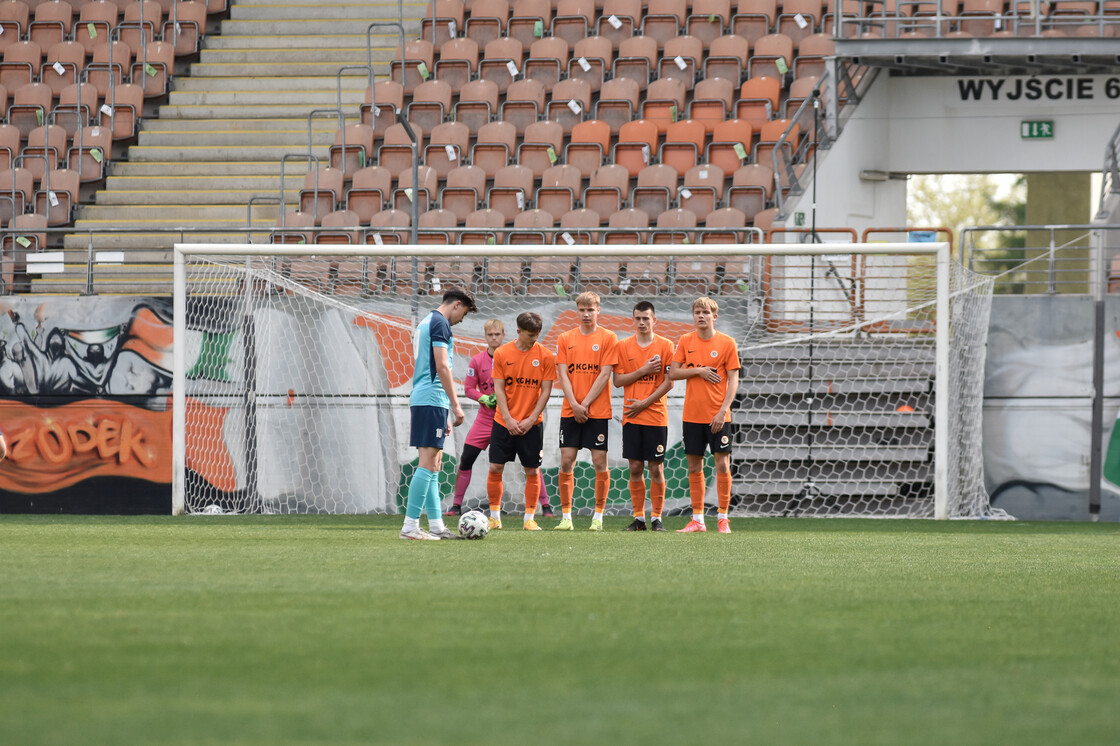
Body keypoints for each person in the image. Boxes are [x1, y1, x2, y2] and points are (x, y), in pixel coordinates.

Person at [445, 319, 554, 517]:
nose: (494, 338)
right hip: (488, 419)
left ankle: (545, 506)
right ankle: (456, 505)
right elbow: (469, 388)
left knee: (532, 465)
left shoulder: (519, 355)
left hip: (515, 418)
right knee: (468, 458)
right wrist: (483, 397)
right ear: (485, 337)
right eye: (490, 335)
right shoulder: (478, 361)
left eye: (497, 334)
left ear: (504, 335)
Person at [400, 287, 477, 540]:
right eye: (463, 314)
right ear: (456, 304)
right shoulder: (440, 323)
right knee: (427, 463)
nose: (461, 320)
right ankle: (410, 527)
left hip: (429, 399)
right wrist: (455, 405)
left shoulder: (426, 322)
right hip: (432, 398)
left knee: (434, 464)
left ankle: (436, 526)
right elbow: (442, 365)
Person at [669, 296, 741, 534]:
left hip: (718, 416)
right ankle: (698, 519)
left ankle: (723, 518)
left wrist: (723, 411)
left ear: (714, 316)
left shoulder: (727, 343)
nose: (701, 316)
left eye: (706, 312)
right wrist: (698, 370)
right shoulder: (685, 340)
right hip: (692, 416)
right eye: (697, 312)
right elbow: (673, 373)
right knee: (694, 467)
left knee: (722, 465)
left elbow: (733, 381)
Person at [554, 291, 620, 531]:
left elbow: (605, 374)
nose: (585, 314)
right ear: (576, 311)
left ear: (598, 310)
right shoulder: (565, 337)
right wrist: (574, 404)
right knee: (567, 461)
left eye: (590, 309)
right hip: (571, 410)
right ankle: (566, 518)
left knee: (599, 461)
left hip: (597, 411)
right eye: (581, 309)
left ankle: (598, 517)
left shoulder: (608, 337)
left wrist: (585, 405)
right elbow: (562, 372)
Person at [487, 312, 557, 531]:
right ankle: (494, 517)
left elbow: (546, 391)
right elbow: (498, 387)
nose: (534, 338)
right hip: (503, 421)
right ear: (518, 331)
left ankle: (529, 518)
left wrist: (531, 419)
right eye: (529, 335)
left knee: (532, 470)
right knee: (496, 466)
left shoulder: (545, 356)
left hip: (532, 424)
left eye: (537, 334)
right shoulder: (502, 353)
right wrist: (507, 418)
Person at [612, 301, 676, 532]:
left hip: (656, 416)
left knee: (656, 468)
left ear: (654, 320)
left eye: (646, 318)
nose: (642, 322)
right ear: (633, 320)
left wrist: (645, 403)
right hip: (631, 416)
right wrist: (642, 371)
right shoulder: (623, 346)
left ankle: (657, 517)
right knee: (635, 467)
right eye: (638, 318)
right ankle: (639, 519)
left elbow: (670, 382)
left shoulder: (666, 346)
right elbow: (618, 381)